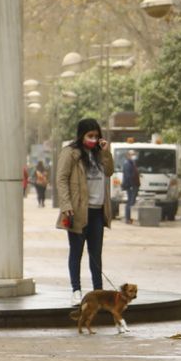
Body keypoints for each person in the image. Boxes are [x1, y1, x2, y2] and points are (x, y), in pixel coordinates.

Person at [56, 117, 115, 297]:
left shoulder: (100, 153)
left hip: (98, 211)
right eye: (90, 135)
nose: (93, 139)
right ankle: (76, 290)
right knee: (76, 252)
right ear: (82, 135)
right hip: (78, 211)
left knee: (95, 254)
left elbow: (109, 171)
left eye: (96, 136)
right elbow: (61, 179)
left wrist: (106, 152)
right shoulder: (70, 153)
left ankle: (98, 291)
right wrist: (66, 204)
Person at [120, 150, 141, 223]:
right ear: (128, 155)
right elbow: (128, 176)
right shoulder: (127, 164)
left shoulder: (132, 163)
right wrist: (131, 185)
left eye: (134, 154)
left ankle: (129, 218)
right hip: (131, 186)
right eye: (132, 154)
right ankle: (128, 218)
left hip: (134, 185)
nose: (134, 156)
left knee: (131, 201)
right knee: (130, 202)